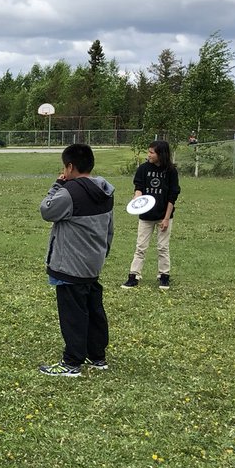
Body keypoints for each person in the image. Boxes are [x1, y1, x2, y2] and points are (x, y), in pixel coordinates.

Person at [38, 143, 114, 378]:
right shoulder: (105, 191)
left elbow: (46, 210)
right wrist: (104, 252)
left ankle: (71, 362)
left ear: (70, 167)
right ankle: (97, 356)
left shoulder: (69, 192)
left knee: (73, 314)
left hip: (70, 264)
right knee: (93, 310)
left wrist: (57, 184)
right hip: (93, 262)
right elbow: (110, 228)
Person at [122, 140, 181, 290]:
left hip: (163, 215)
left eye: (151, 152)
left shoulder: (171, 171)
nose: (148, 155)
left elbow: (172, 196)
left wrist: (166, 218)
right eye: (148, 152)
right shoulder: (143, 169)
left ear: (161, 154)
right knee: (140, 247)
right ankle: (134, 276)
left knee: (162, 247)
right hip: (146, 216)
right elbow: (139, 187)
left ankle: (164, 275)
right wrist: (137, 197)